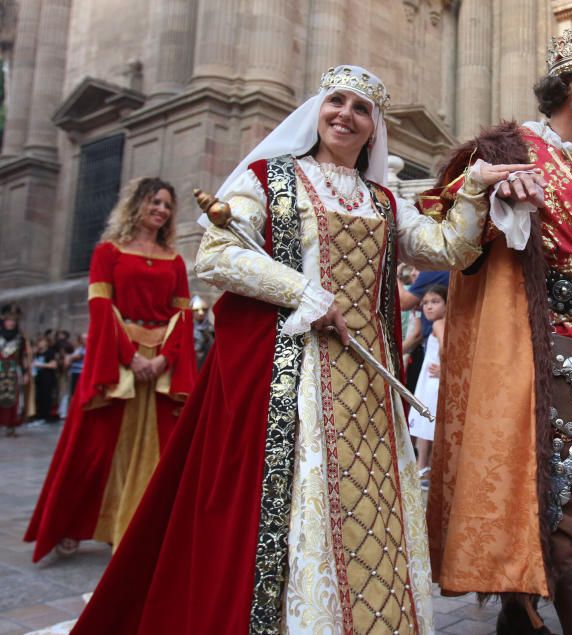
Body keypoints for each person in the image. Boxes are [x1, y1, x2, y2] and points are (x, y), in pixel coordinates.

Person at [65, 65, 535, 634]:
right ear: (317, 110)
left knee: (373, 509)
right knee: (304, 510)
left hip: (370, 385)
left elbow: (449, 249)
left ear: (374, 128)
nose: (346, 114)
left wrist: (476, 188)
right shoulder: (269, 177)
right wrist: (302, 291)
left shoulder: (384, 201)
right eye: (336, 101)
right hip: (297, 377)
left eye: (361, 109)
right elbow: (216, 255)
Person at [426, 25, 572, 635]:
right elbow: (448, 230)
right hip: (543, 350)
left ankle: (517, 617)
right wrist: (495, 198)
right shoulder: (508, 148)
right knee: (570, 509)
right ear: (570, 86)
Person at [25, 177, 196, 561]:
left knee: (162, 451)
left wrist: (164, 358)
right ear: (137, 205)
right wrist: (130, 358)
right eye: (155, 202)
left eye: (167, 205)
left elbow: (183, 315)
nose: (162, 210)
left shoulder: (175, 259)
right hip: (118, 361)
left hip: (161, 366)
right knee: (95, 447)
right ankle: (74, 525)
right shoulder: (108, 252)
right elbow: (101, 309)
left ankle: (145, 529)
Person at [407, 284, 446, 489]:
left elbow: (444, 345)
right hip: (429, 379)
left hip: (433, 380)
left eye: (435, 302)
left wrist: (445, 367)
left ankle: (423, 467)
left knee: (426, 423)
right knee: (427, 426)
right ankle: (426, 468)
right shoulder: (435, 324)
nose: (429, 307)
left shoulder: (440, 324)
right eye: (425, 303)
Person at [0, 305, 30, 437]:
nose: (11, 322)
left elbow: (23, 356)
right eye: (8, 320)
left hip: (13, 370)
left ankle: (10, 426)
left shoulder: (20, 338)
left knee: (12, 400)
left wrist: (25, 373)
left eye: (13, 320)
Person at [190, 295, 214, 369]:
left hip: (206, 363)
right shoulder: (188, 328)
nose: (201, 313)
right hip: (192, 362)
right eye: (197, 310)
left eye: (203, 309)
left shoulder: (211, 329)